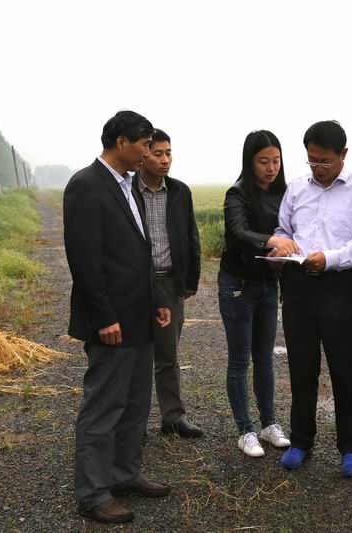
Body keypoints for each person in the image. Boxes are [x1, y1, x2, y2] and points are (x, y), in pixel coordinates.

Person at [63, 111, 172, 524]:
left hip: (140, 318)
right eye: (144, 145)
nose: (149, 152)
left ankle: (124, 475)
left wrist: (157, 298)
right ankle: (93, 494)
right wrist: (104, 316)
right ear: (122, 142)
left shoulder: (129, 186)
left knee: (135, 404)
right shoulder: (86, 185)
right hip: (112, 323)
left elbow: (141, 252)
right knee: (103, 407)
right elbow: (85, 260)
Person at [274, 120, 352, 477]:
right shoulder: (296, 188)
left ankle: (351, 447)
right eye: (312, 160)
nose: (318, 167)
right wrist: (281, 244)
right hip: (298, 285)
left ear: (343, 154)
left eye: (325, 161)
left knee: (344, 368)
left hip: (340, 286)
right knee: (301, 367)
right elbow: (283, 228)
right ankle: (301, 441)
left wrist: (329, 259)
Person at [218, 130, 295, 458]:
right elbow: (238, 232)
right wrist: (270, 241)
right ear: (250, 162)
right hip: (238, 285)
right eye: (264, 161)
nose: (271, 167)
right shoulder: (237, 194)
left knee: (264, 357)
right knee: (240, 359)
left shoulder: (285, 194)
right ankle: (245, 430)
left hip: (268, 285)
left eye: (276, 160)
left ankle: (268, 424)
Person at [135, 128, 203, 439]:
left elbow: (191, 236)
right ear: (143, 155)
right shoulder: (127, 190)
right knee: (134, 356)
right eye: (158, 153)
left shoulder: (179, 191)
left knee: (168, 356)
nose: (166, 160)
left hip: (169, 282)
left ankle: (173, 418)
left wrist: (190, 280)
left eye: (169, 153)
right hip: (136, 283)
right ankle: (133, 424)